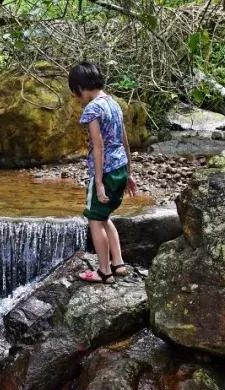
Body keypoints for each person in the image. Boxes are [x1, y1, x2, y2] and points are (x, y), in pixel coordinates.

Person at [68, 61, 138, 284]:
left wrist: (98, 182)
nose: (78, 100)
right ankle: (118, 264)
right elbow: (125, 140)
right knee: (106, 216)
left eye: (76, 94)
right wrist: (129, 173)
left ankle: (104, 272)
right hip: (119, 169)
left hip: (105, 172)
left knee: (95, 220)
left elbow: (98, 146)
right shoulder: (114, 104)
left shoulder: (93, 108)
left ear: (80, 88)